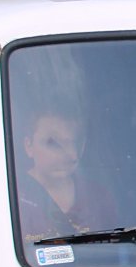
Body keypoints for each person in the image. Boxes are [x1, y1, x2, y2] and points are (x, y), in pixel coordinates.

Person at [16, 97, 118, 240]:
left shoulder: (99, 198)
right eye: (53, 142)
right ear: (29, 146)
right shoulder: (10, 198)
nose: (72, 155)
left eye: (76, 142)